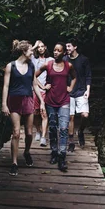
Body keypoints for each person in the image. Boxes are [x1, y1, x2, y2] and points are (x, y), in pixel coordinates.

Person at [1, 40, 46, 176]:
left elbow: (34, 85)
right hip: (14, 100)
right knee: (16, 132)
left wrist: (42, 101)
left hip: (28, 100)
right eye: (31, 51)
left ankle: (26, 152)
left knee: (29, 133)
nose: (33, 52)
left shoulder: (31, 65)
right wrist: (4, 104)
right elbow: (6, 86)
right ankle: (14, 162)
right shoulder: (11, 66)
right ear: (24, 52)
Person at [35, 43, 76, 172]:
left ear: (64, 53)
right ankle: (54, 152)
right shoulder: (48, 65)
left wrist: (70, 87)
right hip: (50, 101)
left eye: (59, 50)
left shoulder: (68, 65)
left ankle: (62, 156)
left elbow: (74, 77)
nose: (56, 52)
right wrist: (42, 86)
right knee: (52, 128)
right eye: (54, 50)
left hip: (64, 100)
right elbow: (33, 75)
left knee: (63, 128)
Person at [65, 39, 92, 151]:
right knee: (70, 116)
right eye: (66, 46)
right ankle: (71, 142)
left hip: (81, 91)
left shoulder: (83, 59)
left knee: (85, 115)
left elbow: (88, 76)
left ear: (75, 47)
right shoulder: (64, 59)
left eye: (69, 46)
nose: (67, 48)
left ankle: (80, 131)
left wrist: (88, 90)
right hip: (69, 92)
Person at [32, 40, 53, 147]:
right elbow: (33, 76)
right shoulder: (33, 59)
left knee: (44, 113)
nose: (40, 48)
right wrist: (35, 45)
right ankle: (38, 131)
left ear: (45, 47)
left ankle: (44, 137)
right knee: (35, 113)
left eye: (42, 46)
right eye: (38, 47)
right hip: (35, 90)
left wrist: (49, 85)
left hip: (47, 91)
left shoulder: (51, 60)